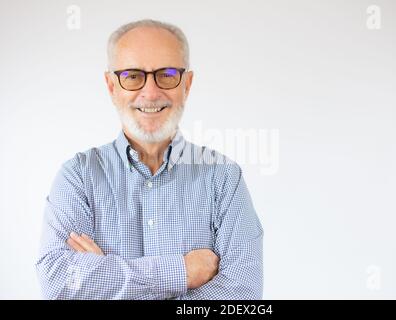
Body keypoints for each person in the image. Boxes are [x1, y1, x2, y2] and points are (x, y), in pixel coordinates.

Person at [35, 19, 264, 300]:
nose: (151, 92)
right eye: (133, 76)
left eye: (167, 74)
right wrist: (181, 272)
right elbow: (59, 281)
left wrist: (106, 280)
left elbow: (242, 295)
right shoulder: (79, 177)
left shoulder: (224, 178)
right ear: (111, 86)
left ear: (187, 85)